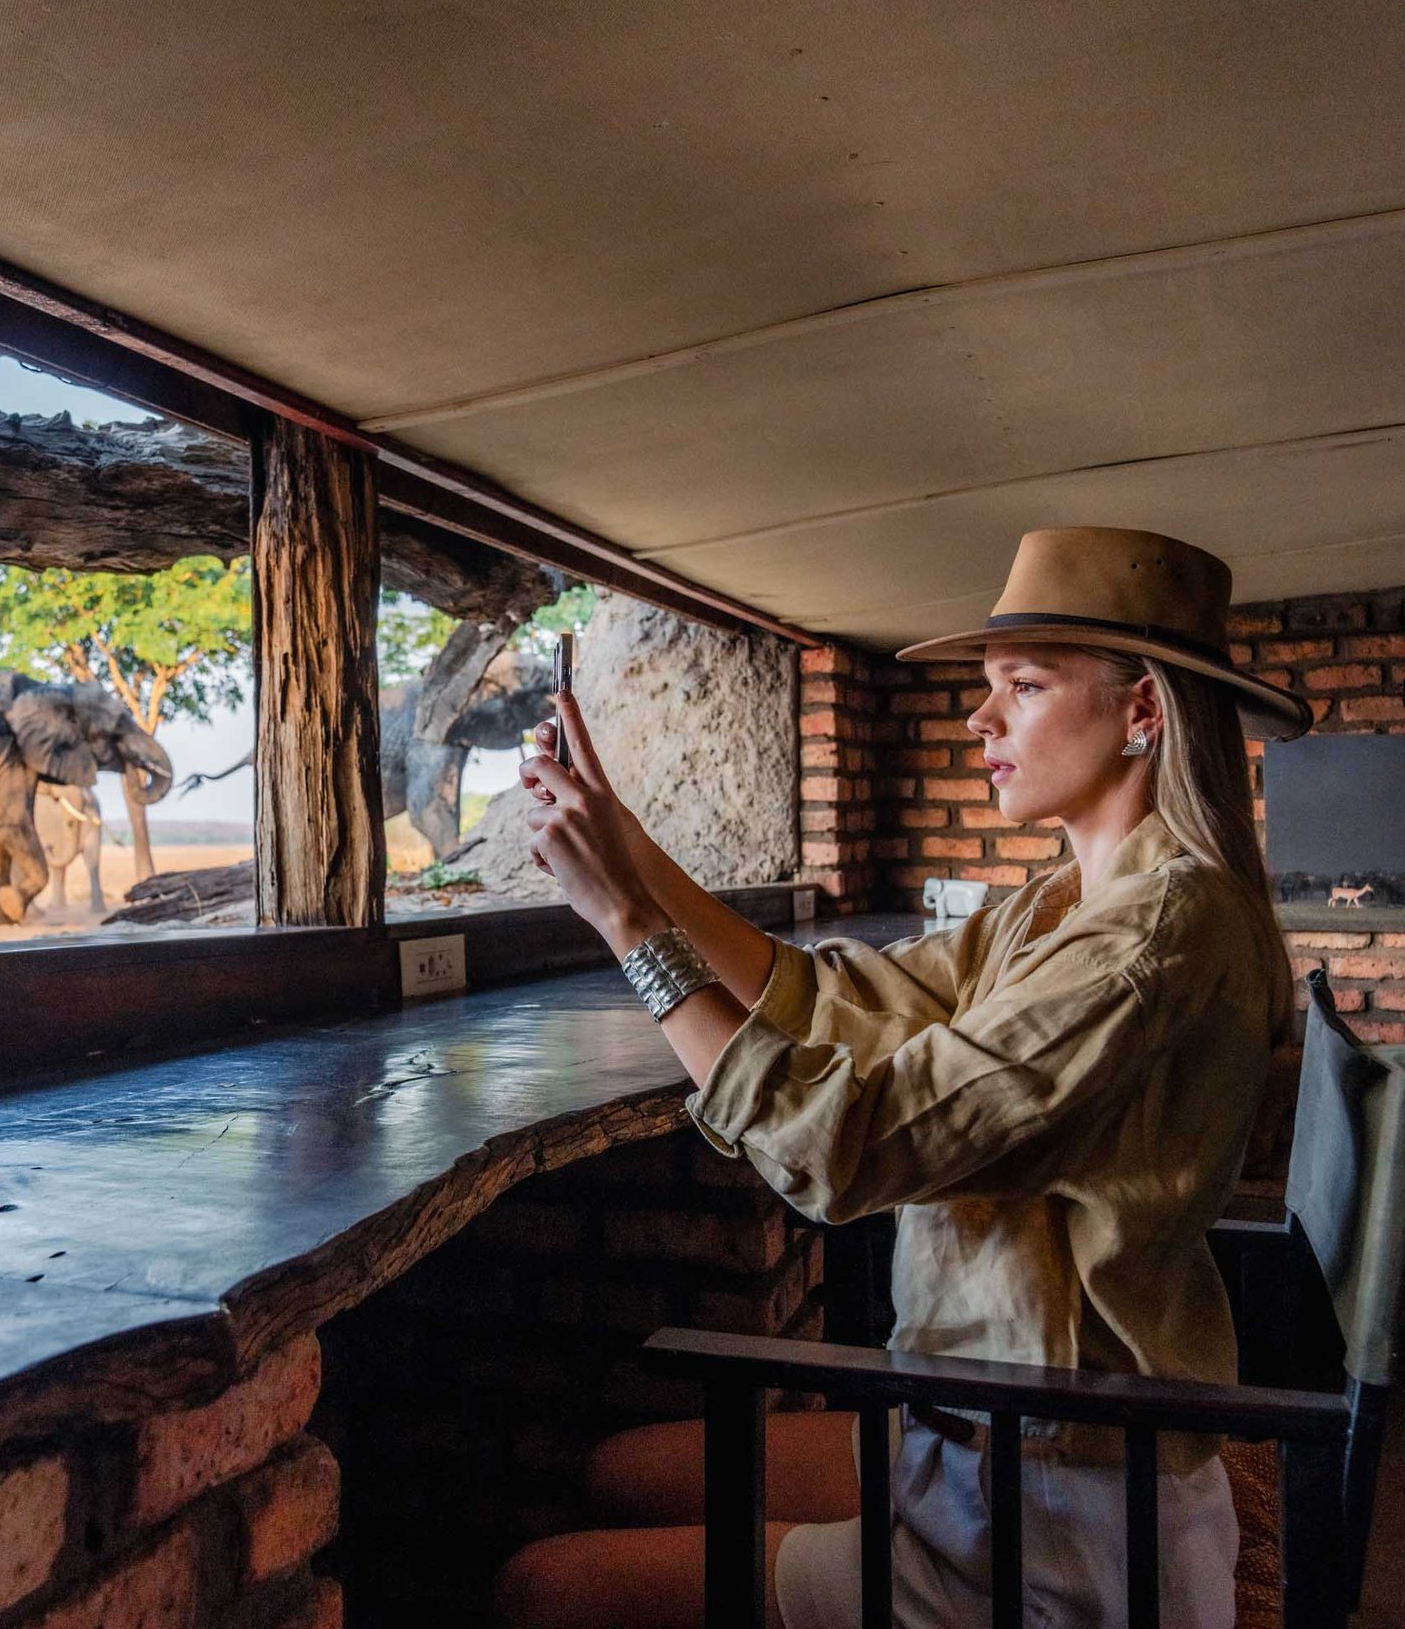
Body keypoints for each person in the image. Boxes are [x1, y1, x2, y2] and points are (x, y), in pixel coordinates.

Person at [493, 527, 1310, 1629]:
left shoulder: (1153, 937)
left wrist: (625, 921)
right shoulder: (1065, 897)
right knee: (623, 1471)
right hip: (986, 1432)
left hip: (1050, 1520)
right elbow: (837, 997)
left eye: (1021, 687)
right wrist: (631, 851)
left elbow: (849, 1144)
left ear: (1143, 711)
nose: (981, 719)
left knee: (539, 1588)